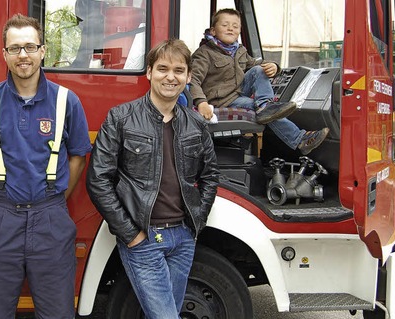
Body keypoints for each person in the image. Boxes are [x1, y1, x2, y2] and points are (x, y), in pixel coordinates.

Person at [0, 14, 92, 319]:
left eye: (30, 47)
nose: (23, 55)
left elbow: (78, 158)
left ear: (43, 51)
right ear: (4, 54)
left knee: (58, 313)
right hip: (1, 218)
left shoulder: (67, 101)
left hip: (51, 219)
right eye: (15, 48)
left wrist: (54, 198)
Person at [86, 38, 219, 318]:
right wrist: (130, 234)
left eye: (179, 70)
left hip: (183, 238)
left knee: (164, 312)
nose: (170, 77)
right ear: (149, 72)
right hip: (144, 238)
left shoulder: (196, 123)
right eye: (162, 68)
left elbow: (211, 175)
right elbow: (98, 179)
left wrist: (196, 223)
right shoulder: (121, 118)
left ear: (188, 77)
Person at [190, 8, 329, 155]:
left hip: (237, 94)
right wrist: (201, 102)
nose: (230, 28)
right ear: (213, 31)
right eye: (225, 25)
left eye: (235, 26)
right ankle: (299, 138)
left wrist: (274, 67)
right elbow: (193, 80)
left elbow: (256, 65)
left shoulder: (239, 50)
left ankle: (265, 105)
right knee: (265, 110)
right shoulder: (204, 54)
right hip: (220, 100)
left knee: (259, 70)